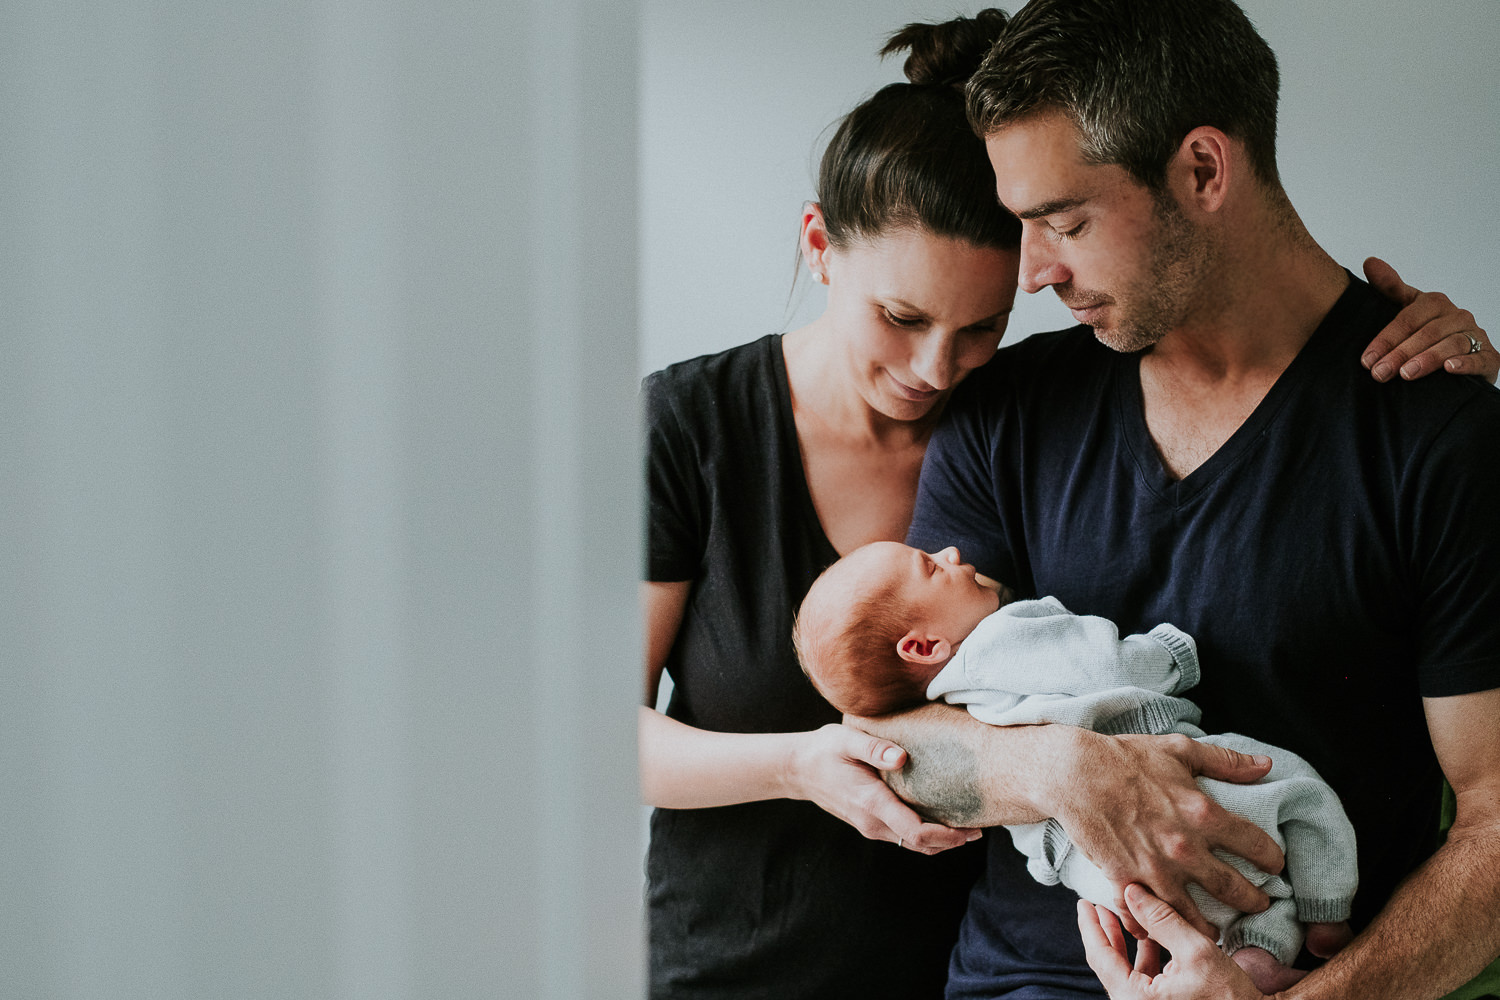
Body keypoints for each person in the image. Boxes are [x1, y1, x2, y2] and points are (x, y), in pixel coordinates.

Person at [640, 10, 1493, 1000]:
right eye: (1024, 226)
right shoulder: (1005, 409)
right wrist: (1065, 772)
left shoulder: (1435, 433)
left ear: (1204, 171)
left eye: (1063, 221)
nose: (1036, 274)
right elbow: (894, 735)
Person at [793, 539, 1356, 994]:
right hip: (1169, 775)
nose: (952, 555)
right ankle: (1325, 909)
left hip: (1093, 868)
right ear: (921, 647)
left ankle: (1251, 966)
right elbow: (1102, 661)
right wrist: (1171, 655)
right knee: (1295, 788)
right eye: (931, 567)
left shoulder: (939, 707)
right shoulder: (1003, 638)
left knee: (1211, 920)